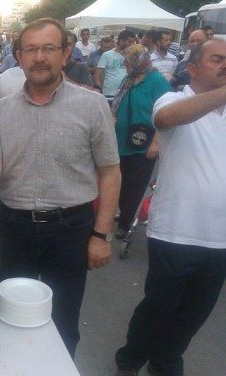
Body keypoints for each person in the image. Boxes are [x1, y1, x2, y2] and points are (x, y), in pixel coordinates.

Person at [0, 18, 121, 358]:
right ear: (18, 55)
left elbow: (110, 172)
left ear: (65, 53)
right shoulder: (3, 111)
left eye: (49, 48)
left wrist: (101, 236)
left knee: (62, 320)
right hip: (15, 227)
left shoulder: (92, 105)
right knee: (13, 315)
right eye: (31, 49)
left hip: (71, 229)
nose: (39, 57)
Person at [114, 39, 226, 376]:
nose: (225, 65)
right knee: (159, 308)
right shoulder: (175, 98)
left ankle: (165, 362)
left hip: (219, 239)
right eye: (217, 59)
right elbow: (165, 118)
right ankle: (131, 359)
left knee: (194, 313)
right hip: (176, 232)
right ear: (192, 69)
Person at [110, 44, 170, 240]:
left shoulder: (157, 80)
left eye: (127, 61)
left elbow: (166, 114)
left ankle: (125, 223)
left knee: (134, 186)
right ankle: (124, 213)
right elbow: (118, 106)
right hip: (121, 142)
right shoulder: (129, 79)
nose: (125, 65)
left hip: (144, 145)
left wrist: (156, 143)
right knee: (119, 183)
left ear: (138, 61)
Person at [95, 29, 136, 98]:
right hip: (109, 94)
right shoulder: (107, 55)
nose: (131, 44)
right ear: (121, 41)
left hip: (126, 94)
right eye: (129, 42)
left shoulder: (132, 56)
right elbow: (97, 74)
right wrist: (99, 90)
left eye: (133, 42)